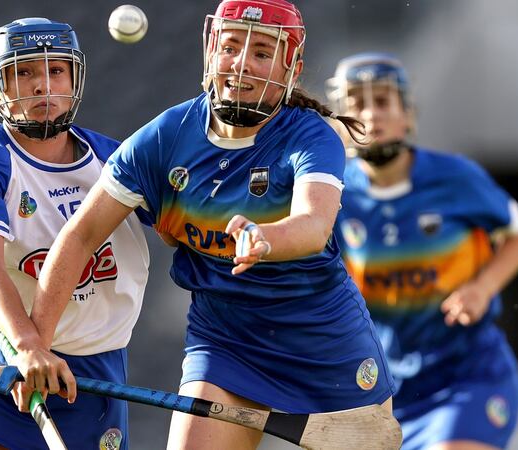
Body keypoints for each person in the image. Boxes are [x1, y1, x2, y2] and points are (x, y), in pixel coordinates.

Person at [27, 2, 398, 449]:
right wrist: (36, 346)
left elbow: (314, 224)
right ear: (210, 51)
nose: (242, 63)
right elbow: (80, 236)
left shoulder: (310, 135)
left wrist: (264, 237)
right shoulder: (165, 137)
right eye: (231, 47)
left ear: (290, 68)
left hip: (324, 342)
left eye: (262, 53)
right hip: (227, 344)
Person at [0, 17, 150, 450]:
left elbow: (182, 230)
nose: (42, 85)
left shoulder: (116, 160)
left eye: (55, 70)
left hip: (87, 375)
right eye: (23, 72)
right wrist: (27, 346)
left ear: (74, 77)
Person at [326, 52, 518, 450]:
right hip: (384, 394)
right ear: (340, 119)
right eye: (357, 104)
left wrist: (482, 287)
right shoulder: (333, 192)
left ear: (408, 115)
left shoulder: (456, 178)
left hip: (467, 377)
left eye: (383, 102)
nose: (371, 115)